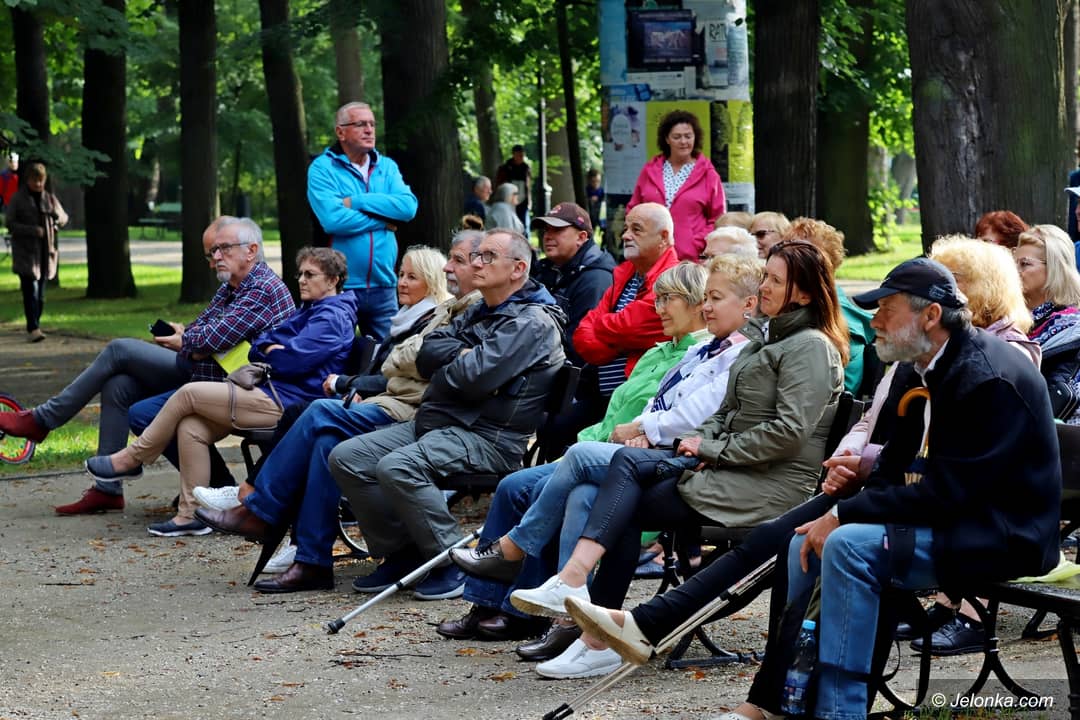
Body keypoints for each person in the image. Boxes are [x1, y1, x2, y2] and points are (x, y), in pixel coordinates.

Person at [568, 257, 1061, 720]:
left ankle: (837, 710)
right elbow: (894, 466)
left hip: (1000, 535)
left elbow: (952, 494)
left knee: (846, 545)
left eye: (886, 311)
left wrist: (845, 514)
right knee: (802, 543)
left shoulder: (984, 377)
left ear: (931, 315)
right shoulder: (922, 365)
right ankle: (779, 699)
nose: (875, 322)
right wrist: (849, 503)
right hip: (950, 518)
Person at [506, 241, 847, 678]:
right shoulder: (766, 338)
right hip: (731, 468)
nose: (764, 286)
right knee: (609, 487)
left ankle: (586, 617)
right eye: (765, 276)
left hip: (769, 485)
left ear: (804, 293)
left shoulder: (810, 347)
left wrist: (707, 448)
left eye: (775, 281)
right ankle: (592, 626)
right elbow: (726, 412)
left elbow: (788, 433)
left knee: (622, 477)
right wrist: (700, 441)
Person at [443, 257, 757, 657]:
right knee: (563, 491)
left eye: (670, 299)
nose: (658, 307)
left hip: (664, 462)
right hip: (627, 451)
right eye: (657, 298)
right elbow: (611, 370)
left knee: (555, 474)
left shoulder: (730, 353)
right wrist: (638, 429)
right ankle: (558, 616)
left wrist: (642, 430)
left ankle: (519, 568)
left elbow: (690, 416)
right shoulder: (682, 352)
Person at [195, 244, 473, 592]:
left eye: (411, 277)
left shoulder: (442, 315)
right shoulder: (413, 317)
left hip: (411, 413)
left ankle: (260, 508)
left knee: (316, 410)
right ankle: (312, 562)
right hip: (388, 402)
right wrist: (363, 381)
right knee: (325, 441)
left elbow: (415, 365)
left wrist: (350, 382)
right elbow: (263, 344)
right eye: (400, 274)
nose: (401, 282)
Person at [0, 217, 295, 515]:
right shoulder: (232, 287)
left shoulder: (261, 288)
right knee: (119, 386)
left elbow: (209, 337)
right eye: (213, 251)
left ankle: (42, 420)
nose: (216, 257)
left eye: (224, 248)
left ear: (251, 250)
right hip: (206, 373)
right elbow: (201, 331)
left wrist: (190, 343)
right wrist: (191, 341)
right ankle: (107, 490)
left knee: (119, 351)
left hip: (243, 389)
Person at [85, 248, 356, 537]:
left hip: (289, 402)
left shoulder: (332, 317)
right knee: (191, 426)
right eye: (300, 273)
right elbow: (259, 345)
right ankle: (190, 515)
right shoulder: (310, 310)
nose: (301, 280)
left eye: (310, 275)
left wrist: (275, 351)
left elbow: (292, 361)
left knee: (189, 394)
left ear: (333, 280)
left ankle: (132, 457)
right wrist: (271, 348)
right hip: (270, 391)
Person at [547, 202, 680, 459]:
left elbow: (632, 327)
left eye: (636, 229)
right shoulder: (625, 274)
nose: (626, 235)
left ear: (663, 237)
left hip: (638, 397)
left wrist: (609, 331)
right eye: (625, 228)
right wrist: (618, 339)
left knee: (571, 444)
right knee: (555, 429)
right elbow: (583, 335)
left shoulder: (672, 279)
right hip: (603, 390)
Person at [307, 101, 418, 340]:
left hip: (384, 285)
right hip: (338, 286)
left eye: (372, 124)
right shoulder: (323, 168)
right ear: (341, 132)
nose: (369, 130)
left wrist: (357, 201)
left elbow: (408, 208)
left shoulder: (387, 166)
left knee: (388, 355)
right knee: (334, 353)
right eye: (360, 124)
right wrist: (384, 222)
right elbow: (333, 220)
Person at [782, 217, 875, 394]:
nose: (784, 259)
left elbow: (836, 392)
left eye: (801, 255)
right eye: (784, 249)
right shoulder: (788, 304)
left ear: (822, 265)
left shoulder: (836, 320)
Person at [627, 109, 726, 261]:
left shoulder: (709, 174)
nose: (683, 141)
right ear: (667, 139)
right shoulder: (650, 170)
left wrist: (696, 243)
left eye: (688, 136)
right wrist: (640, 238)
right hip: (651, 256)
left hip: (690, 260)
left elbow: (718, 219)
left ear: (695, 137)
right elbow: (633, 210)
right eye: (677, 137)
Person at [530, 201, 616, 363]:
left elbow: (579, 347)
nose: (547, 236)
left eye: (557, 230)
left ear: (581, 237)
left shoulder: (596, 280)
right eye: (546, 230)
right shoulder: (547, 269)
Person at [1015, 225, 1080, 424]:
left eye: (1024, 264)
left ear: (1054, 268)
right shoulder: (1008, 318)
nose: (1015, 271)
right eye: (1014, 263)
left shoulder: (1073, 328)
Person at [5, 160, 67, 342]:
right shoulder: (18, 199)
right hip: (25, 254)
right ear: (28, 180)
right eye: (35, 180)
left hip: (45, 253)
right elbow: (10, 223)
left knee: (40, 296)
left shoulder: (49, 198)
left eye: (41, 180)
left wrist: (56, 222)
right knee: (30, 292)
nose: (38, 184)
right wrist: (32, 230)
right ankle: (33, 328)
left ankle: (35, 325)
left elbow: (64, 217)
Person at [495, 144, 532, 225]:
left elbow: (528, 186)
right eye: (519, 155)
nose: (521, 157)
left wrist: (529, 200)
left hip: (523, 202)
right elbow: (500, 184)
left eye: (522, 155)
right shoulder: (505, 168)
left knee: (523, 224)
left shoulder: (526, 168)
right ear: (514, 154)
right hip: (508, 201)